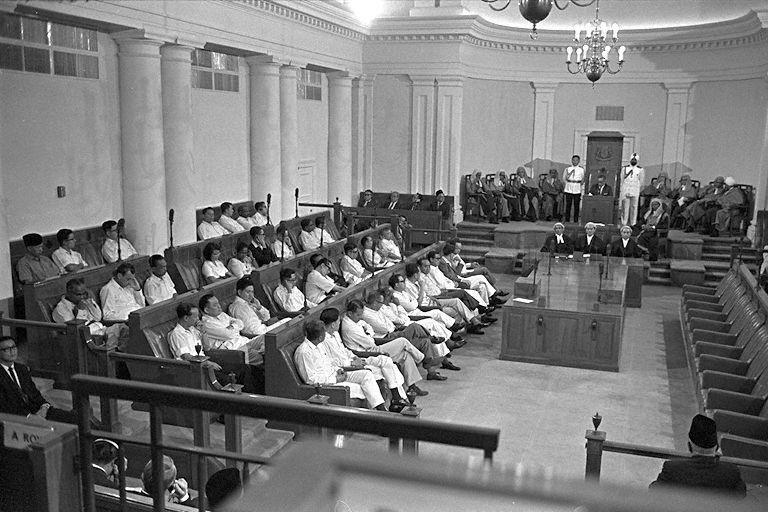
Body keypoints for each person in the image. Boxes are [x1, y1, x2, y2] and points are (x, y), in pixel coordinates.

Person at [320, 308, 409, 412]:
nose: (340, 323)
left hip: (354, 359)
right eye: (338, 321)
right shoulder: (324, 340)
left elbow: (344, 350)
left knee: (385, 360)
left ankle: (396, 397)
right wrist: (352, 362)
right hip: (348, 366)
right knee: (380, 371)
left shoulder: (335, 334)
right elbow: (333, 361)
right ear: (333, 324)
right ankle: (388, 404)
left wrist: (354, 357)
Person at [295, 319, 389, 410]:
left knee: (366, 374)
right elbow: (311, 379)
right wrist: (335, 379)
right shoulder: (304, 352)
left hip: (337, 374)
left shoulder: (319, 345)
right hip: (328, 383)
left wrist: (338, 370)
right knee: (361, 388)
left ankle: (381, 409)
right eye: (324, 332)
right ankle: (375, 414)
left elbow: (329, 362)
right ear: (320, 337)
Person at [341, 299, 428, 396]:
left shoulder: (354, 319)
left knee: (405, 355)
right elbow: (369, 342)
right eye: (358, 315)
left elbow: (368, 326)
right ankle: (421, 358)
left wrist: (368, 332)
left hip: (371, 346)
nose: (361, 317)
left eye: (361, 314)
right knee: (403, 341)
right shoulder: (349, 327)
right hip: (368, 352)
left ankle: (412, 387)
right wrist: (369, 334)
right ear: (349, 313)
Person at [650, 414, 746, 498]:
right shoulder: (731, 471)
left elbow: (654, 490)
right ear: (717, 447)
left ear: (689, 446)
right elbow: (740, 495)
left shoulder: (672, 469)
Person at [0, 336, 76, 423]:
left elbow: (34, 393)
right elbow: (5, 406)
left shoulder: (22, 368)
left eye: (13, 347)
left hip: (38, 410)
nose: (12, 351)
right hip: (19, 418)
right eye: (6, 349)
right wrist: (29, 417)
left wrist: (44, 406)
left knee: (76, 419)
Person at [406, 262, 488, 334]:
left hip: (432, 299)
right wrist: (422, 287)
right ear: (415, 274)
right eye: (419, 272)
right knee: (455, 309)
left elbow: (425, 295)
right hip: (426, 306)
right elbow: (418, 303)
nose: (420, 274)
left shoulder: (416, 282)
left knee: (457, 301)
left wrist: (431, 297)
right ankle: (462, 327)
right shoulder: (409, 286)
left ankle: (474, 320)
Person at [53, 278, 126, 349]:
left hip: (101, 329)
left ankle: (123, 355)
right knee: (119, 338)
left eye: (83, 293)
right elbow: (76, 330)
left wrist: (90, 302)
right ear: (69, 292)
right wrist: (80, 310)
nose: (82, 297)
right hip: (88, 337)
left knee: (124, 328)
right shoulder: (61, 309)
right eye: (78, 294)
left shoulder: (83, 300)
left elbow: (98, 317)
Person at [199, 293, 262, 365]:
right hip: (234, 351)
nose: (219, 306)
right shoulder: (207, 323)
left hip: (244, 341)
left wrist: (231, 327)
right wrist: (234, 328)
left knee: (266, 339)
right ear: (207, 310)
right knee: (263, 354)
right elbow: (229, 335)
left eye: (218, 303)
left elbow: (240, 323)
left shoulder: (222, 315)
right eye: (215, 305)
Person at [620, 153, 645, 226]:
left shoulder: (640, 169)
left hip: (635, 191)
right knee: (625, 207)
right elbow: (622, 180)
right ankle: (624, 223)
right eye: (632, 159)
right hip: (626, 190)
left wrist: (637, 190)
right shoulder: (624, 168)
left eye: (635, 159)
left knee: (634, 208)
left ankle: (633, 223)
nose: (633, 160)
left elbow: (641, 181)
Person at [563, 155, 585, 223]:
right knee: (568, 205)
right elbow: (564, 178)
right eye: (573, 160)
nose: (575, 161)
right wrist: (568, 184)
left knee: (576, 205)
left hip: (577, 188)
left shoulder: (581, 169)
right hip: (569, 188)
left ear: (578, 161)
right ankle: (567, 220)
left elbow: (583, 179)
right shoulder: (568, 169)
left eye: (576, 160)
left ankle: (576, 220)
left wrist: (578, 184)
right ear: (571, 160)